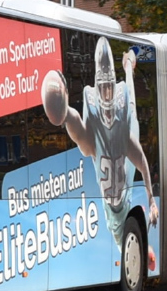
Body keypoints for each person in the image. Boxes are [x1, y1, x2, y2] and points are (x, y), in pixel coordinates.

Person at [42, 37, 159, 249]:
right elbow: (80, 132)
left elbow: (141, 162)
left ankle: (128, 65)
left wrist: (151, 200)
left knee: (130, 108)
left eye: (109, 87)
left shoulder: (121, 122)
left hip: (125, 172)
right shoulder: (92, 123)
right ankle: (128, 62)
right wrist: (64, 112)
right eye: (103, 87)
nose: (106, 93)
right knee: (129, 107)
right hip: (114, 199)